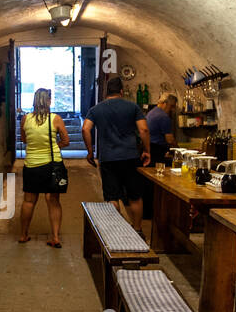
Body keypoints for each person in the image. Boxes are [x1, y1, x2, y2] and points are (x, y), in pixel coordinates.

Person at [82, 76, 150, 230]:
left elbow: (85, 129)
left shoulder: (96, 109)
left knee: (112, 197)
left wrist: (90, 152)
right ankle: (138, 230)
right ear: (121, 91)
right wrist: (147, 151)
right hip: (131, 157)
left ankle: (116, 232)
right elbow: (144, 129)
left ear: (106, 92)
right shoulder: (132, 107)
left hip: (108, 158)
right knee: (135, 197)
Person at [17, 87, 70, 247]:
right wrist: (54, 145)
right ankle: (55, 237)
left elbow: (25, 140)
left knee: (29, 201)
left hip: (31, 164)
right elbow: (66, 141)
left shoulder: (25, 119)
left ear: (34, 100)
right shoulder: (55, 119)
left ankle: (23, 235)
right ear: (48, 101)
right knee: (52, 200)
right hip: (52, 165)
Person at [142, 93, 178, 220]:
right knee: (159, 182)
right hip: (156, 152)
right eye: (172, 107)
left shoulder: (152, 112)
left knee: (148, 182)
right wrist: (177, 149)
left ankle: (147, 212)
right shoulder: (163, 117)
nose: (172, 110)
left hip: (149, 149)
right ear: (165, 103)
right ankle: (156, 212)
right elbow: (169, 139)